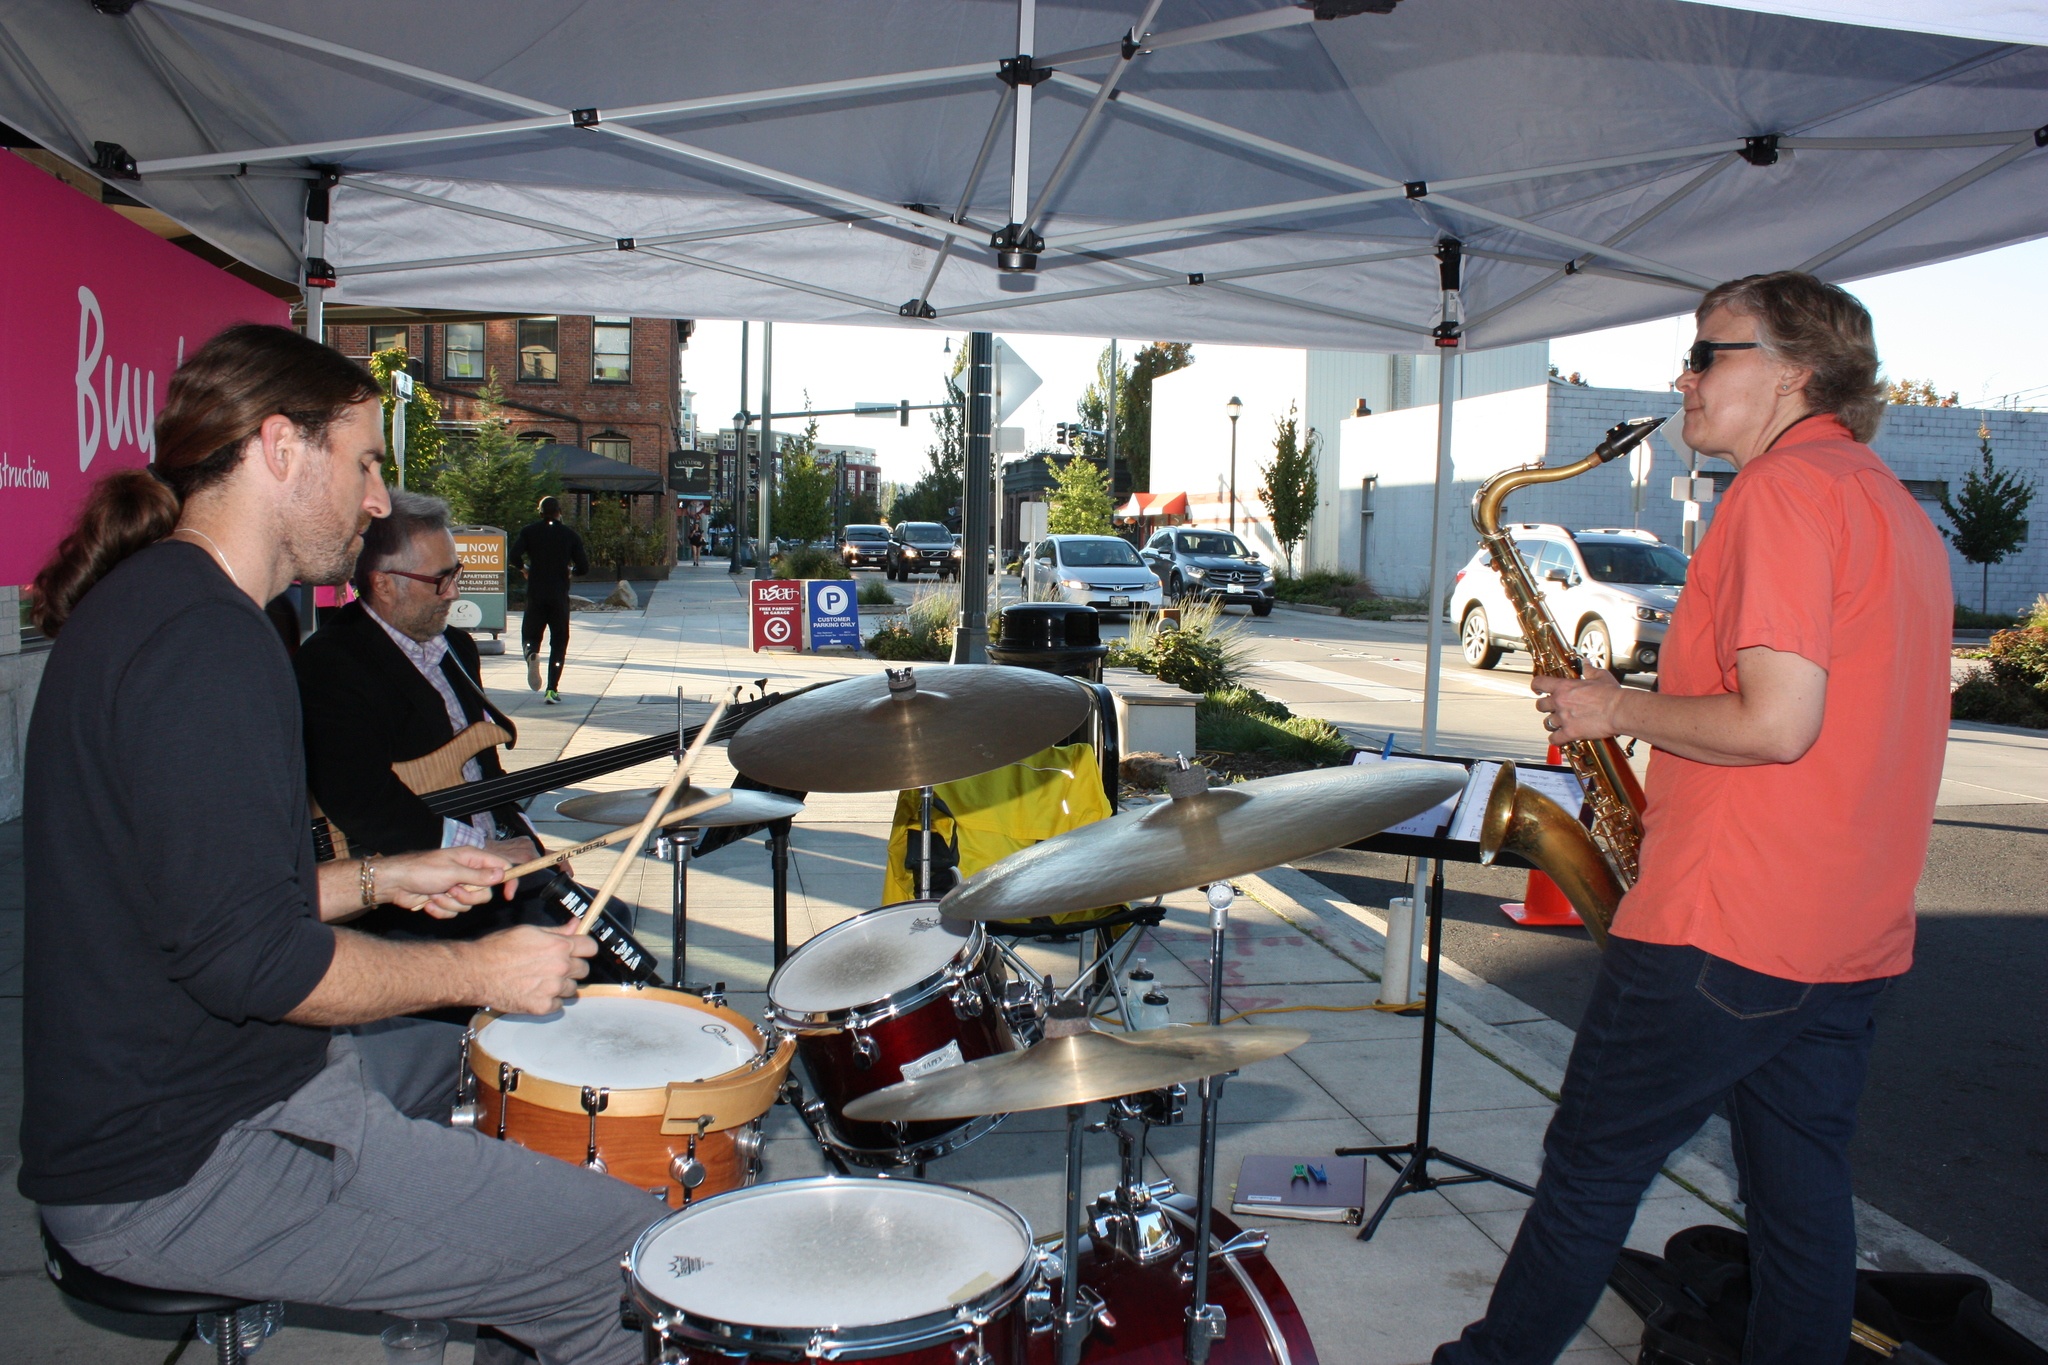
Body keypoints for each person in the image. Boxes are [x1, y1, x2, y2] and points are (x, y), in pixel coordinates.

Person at [22, 324, 659, 1365]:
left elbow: (191, 903)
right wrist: (485, 969)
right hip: (186, 1161)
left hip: (193, 1106)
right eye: (363, 462)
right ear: (281, 448)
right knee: (622, 1258)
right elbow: (254, 962)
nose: (375, 501)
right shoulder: (208, 645)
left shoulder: (162, 607)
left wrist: (381, 874)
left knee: (503, 1144)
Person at [1435, 272, 1951, 1365]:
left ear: (1792, 370)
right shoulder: (1893, 511)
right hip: (1844, 937)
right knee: (1800, 1204)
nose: (1684, 376)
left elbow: (1775, 724)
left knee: (1588, 1174)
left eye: (1708, 352)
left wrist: (1611, 706)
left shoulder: (1778, 493)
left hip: (1725, 923)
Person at [295, 489, 549, 941]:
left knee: (610, 934)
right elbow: (358, 797)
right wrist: (482, 851)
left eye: (456, 573)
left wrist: (533, 845)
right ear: (383, 583)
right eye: (440, 579)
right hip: (417, 897)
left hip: (491, 872)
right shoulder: (332, 662)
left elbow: (484, 773)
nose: (453, 592)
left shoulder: (457, 647)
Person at [509, 495, 587, 704]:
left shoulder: (529, 532)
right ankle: (552, 689)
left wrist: (524, 568)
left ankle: (532, 653)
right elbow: (584, 567)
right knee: (559, 641)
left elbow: (513, 556)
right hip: (559, 595)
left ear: (540, 512)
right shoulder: (570, 535)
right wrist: (572, 570)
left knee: (530, 635)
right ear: (559, 512)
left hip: (536, 593)